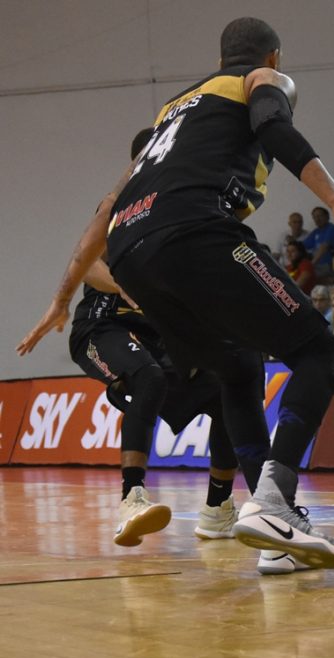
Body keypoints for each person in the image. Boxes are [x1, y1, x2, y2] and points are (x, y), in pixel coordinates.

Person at [19, 17, 334, 570]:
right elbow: (274, 128)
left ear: (218, 58)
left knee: (237, 369)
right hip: (196, 232)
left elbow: (107, 210)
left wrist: (61, 298)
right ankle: (275, 502)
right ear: (274, 57)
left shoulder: (171, 112)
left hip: (134, 255)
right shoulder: (261, 79)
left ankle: (271, 533)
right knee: (322, 353)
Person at [67, 129, 263, 551]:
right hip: (103, 327)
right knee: (149, 377)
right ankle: (131, 499)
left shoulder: (182, 204)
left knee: (226, 389)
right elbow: (86, 264)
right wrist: (126, 289)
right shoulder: (120, 205)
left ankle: (218, 508)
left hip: (159, 337)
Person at [304, 206, 334, 283]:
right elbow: (302, 246)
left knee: (306, 275)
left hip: (330, 265)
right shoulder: (316, 231)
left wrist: (311, 265)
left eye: (320, 216)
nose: (317, 219)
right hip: (319, 266)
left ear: (327, 217)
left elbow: (324, 247)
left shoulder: (332, 229)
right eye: (315, 217)